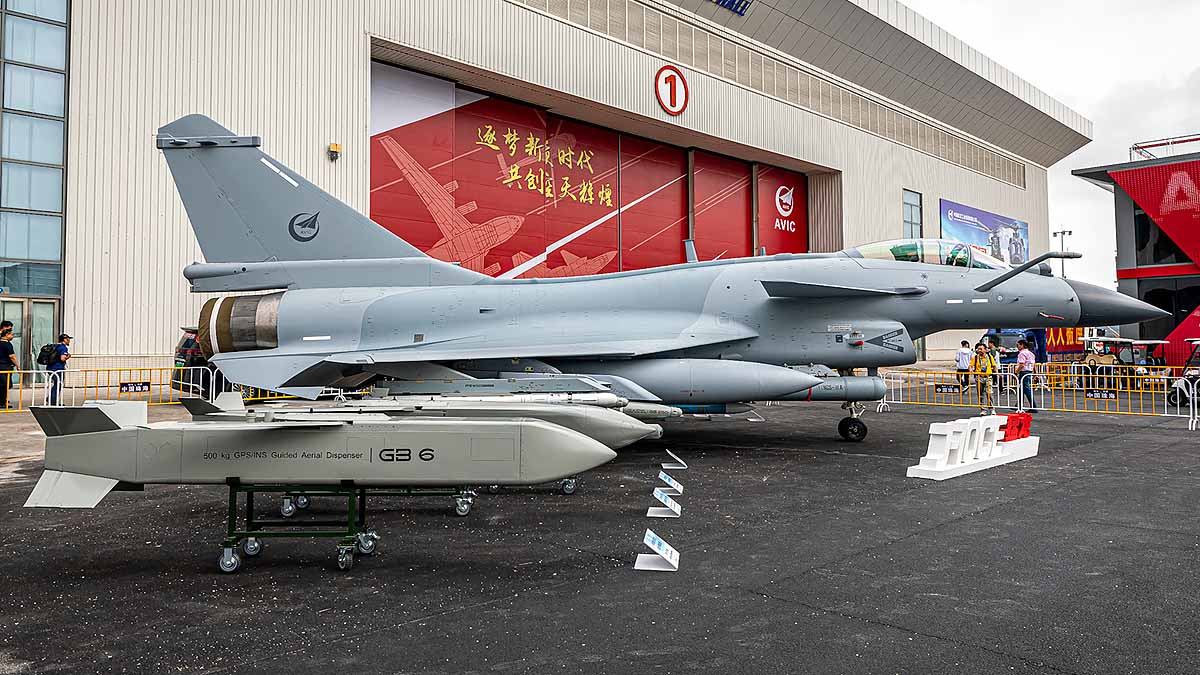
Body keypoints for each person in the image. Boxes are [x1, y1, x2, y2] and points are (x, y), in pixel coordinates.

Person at [970, 342, 995, 415]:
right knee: (980, 394)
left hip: (988, 377)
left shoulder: (990, 357)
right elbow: (970, 365)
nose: (979, 350)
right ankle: (983, 409)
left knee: (989, 393)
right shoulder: (975, 357)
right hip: (979, 377)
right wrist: (971, 370)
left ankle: (992, 408)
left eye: (981, 349)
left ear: (985, 350)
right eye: (978, 349)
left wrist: (998, 374)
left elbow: (994, 366)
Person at [47, 333, 71, 405]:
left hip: (50, 368)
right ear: (64, 339)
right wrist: (68, 356)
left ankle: (51, 398)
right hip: (57, 369)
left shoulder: (56, 346)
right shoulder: (63, 348)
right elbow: (62, 358)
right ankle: (53, 401)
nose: (69, 341)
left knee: (56, 384)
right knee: (58, 384)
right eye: (68, 339)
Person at [1016, 339, 1039, 413]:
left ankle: (1033, 406)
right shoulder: (1031, 353)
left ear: (1022, 345)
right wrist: (1035, 373)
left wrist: (1016, 372)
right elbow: (1033, 364)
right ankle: (1019, 405)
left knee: (1026, 389)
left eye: (1018, 345)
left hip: (1023, 372)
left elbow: (1022, 364)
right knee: (1022, 389)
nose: (1017, 347)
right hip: (1029, 372)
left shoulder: (1022, 353)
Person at [0, 328, 15, 409]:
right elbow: (12, 356)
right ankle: (2, 402)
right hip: (5, 367)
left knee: (2, 385)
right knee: (5, 385)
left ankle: (2, 401)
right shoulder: (7, 344)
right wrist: (18, 365)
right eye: (11, 334)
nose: (12, 336)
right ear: (6, 335)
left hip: (2, 366)